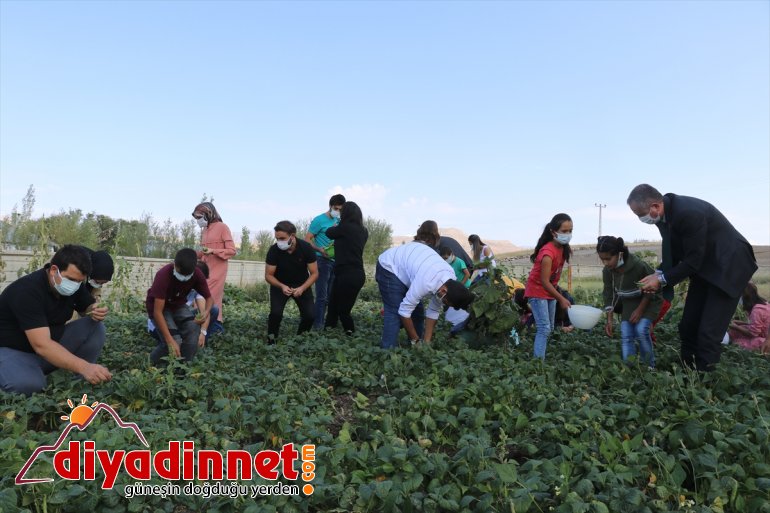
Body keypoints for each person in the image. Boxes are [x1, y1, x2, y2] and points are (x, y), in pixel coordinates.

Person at [628, 184, 758, 371]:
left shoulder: (688, 213)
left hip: (728, 266)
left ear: (655, 206)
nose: (641, 218)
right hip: (705, 268)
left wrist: (662, 280)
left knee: (709, 332)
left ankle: (704, 380)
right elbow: (675, 253)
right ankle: (688, 370)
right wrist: (658, 273)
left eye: (640, 214)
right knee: (688, 325)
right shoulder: (664, 217)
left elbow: (693, 260)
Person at [0, 245, 111, 395]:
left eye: (79, 281)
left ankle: (80, 385)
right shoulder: (27, 291)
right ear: (54, 270)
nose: (74, 285)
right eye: (71, 279)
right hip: (14, 350)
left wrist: (95, 309)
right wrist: (84, 366)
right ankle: (15, 371)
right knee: (29, 385)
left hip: (49, 343)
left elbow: (87, 306)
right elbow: (41, 345)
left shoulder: (75, 285)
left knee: (94, 327)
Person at [376, 240, 474, 349]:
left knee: (418, 313)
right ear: (443, 291)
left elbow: (433, 311)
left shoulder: (449, 281)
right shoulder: (426, 282)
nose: (443, 303)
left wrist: (426, 342)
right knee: (394, 310)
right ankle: (388, 350)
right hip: (390, 265)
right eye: (445, 302)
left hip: (411, 267)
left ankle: (417, 346)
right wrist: (415, 341)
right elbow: (404, 312)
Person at [598, 236, 662, 368]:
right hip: (629, 303)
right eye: (602, 259)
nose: (605, 263)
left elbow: (651, 290)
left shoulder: (638, 266)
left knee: (641, 330)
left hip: (649, 300)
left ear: (619, 254)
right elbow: (608, 294)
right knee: (626, 335)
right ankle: (630, 368)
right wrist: (609, 319)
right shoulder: (608, 271)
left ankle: (649, 366)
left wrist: (640, 311)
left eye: (608, 259)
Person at [146, 248, 212, 365]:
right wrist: (169, 340)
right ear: (174, 264)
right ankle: (148, 363)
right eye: (180, 273)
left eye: (187, 275)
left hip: (178, 305)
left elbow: (209, 298)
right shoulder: (163, 275)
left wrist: (206, 312)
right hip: (160, 308)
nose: (183, 277)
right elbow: (158, 312)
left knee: (193, 330)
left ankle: (183, 368)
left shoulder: (197, 274)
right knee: (172, 343)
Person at [524, 214, 573, 359]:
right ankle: (538, 363)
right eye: (564, 231)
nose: (568, 234)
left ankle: (541, 354)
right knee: (544, 328)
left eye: (570, 230)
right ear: (553, 232)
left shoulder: (563, 249)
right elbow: (545, 282)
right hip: (537, 290)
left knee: (550, 327)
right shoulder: (547, 253)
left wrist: (557, 294)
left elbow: (552, 280)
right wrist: (561, 299)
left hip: (549, 291)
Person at [266, 220, 319, 343]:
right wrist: (281, 286)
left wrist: (302, 288)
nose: (279, 242)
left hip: (301, 284)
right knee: (275, 314)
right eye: (277, 238)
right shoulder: (274, 250)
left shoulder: (306, 248)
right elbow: (268, 275)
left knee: (310, 316)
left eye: (282, 238)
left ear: (292, 236)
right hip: (280, 284)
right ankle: (271, 342)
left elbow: (315, 273)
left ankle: (300, 339)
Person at [148, 261, 219, 346]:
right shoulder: (170, 283)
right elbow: (158, 312)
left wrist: (203, 333)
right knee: (175, 343)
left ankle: (200, 344)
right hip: (160, 324)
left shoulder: (197, 289)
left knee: (213, 309)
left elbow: (204, 311)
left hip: (178, 318)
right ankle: (168, 342)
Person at [324, 201, 368, 335]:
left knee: (343, 310)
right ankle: (329, 331)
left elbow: (329, 232)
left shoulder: (345, 228)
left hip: (347, 274)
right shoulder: (363, 230)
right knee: (333, 304)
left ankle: (350, 333)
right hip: (355, 273)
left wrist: (338, 223)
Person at [192, 202, 236, 333]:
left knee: (209, 297)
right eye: (196, 218)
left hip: (217, 271)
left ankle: (214, 328)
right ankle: (207, 328)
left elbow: (231, 251)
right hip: (204, 270)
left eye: (199, 217)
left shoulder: (222, 227)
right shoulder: (204, 230)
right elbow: (204, 252)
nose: (198, 221)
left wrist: (213, 251)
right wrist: (194, 254)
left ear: (208, 214)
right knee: (201, 298)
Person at [306, 194, 346, 330]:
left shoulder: (341, 221)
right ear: (330, 206)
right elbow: (307, 239)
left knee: (331, 296)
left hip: (336, 262)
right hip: (322, 260)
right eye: (336, 208)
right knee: (322, 296)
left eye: (341, 209)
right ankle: (318, 326)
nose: (338, 211)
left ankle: (328, 324)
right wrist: (319, 249)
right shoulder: (319, 220)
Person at [727, 282, 770, 352]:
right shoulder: (764, 304)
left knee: (739, 343)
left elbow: (753, 333)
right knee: (737, 330)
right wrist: (741, 324)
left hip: (766, 338)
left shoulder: (756, 310)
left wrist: (736, 327)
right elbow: (758, 325)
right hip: (762, 333)